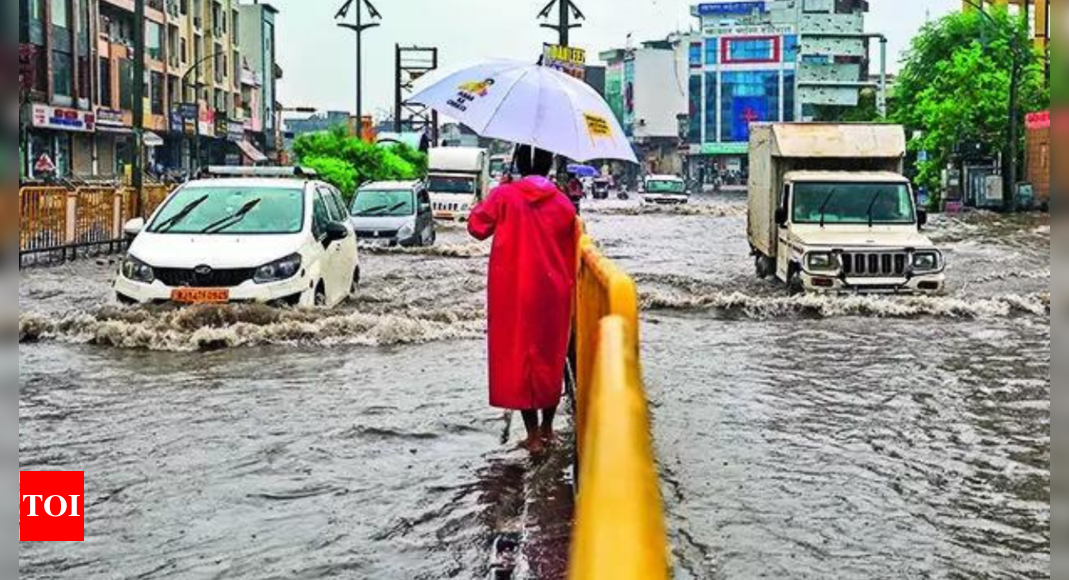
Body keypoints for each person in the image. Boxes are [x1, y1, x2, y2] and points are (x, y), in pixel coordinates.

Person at [468, 145, 579, 454]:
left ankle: (532, 436)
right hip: (554, 291)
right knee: (549, 358)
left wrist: (498, 190)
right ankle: (548, 429)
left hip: (513, 290)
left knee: (520, 359)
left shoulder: (505, 196)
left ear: (518, 163)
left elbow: (476, 228)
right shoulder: (563, 203)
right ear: (548, 165)